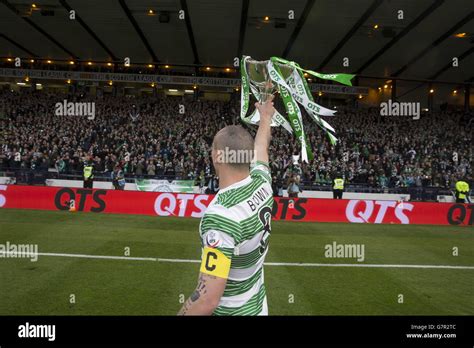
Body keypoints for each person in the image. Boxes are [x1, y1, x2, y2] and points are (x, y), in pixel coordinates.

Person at [178, 97, 275, 316]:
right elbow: (261, 147)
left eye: (213, 148)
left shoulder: (221, 215)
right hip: (258, 308)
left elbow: (207, 299)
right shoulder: (263, 182)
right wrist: (265, 117)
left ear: (219, 156)